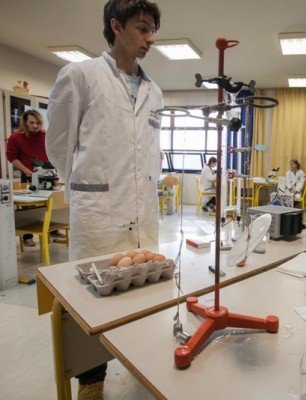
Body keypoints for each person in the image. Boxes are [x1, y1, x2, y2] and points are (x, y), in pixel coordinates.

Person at [46, 1, 162, 398]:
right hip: (99, 211)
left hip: (142, 209)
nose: (150, 38)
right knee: (91, 299)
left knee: (142, 289)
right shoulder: (80, 75)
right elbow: (58, 144)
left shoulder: (154, 91)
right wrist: (87, 185)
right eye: (143, 27)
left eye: (153, 30)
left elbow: (149, 152)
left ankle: (138, 362)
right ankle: (91, 379)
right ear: (116, 25)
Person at [6, 110, 65, 246]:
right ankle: (27, 236)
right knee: (29, 206)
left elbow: (53, 152)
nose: (35, 126)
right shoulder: (16, 137)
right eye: (32, 123)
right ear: (25, 122)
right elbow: (11, 157)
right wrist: (26, 171)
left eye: (38, 123)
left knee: (50, 202)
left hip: (47, 175)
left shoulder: (45, 135)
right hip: (28, 175)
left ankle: (52, 229)